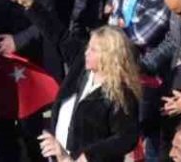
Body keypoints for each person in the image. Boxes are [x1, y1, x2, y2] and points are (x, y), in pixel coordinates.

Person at [37, 27, 140, 162]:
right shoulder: (80, 72)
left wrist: (90, 155)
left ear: (109, 56)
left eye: (93, 50)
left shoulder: (121, 94)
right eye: (88, 47)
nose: (86, 53)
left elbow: (126, 138)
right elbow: (59, 35)